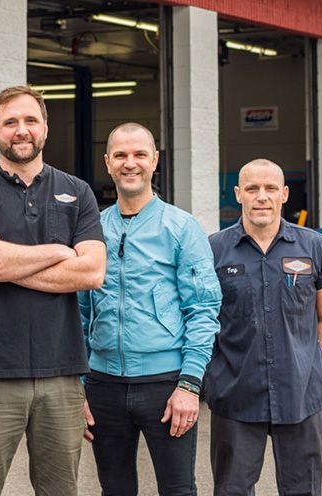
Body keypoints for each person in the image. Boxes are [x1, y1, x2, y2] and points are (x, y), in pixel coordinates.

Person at [0, 85, 107, 496]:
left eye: (30, 120)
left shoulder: (78, 192)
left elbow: (92, 272)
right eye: (10, 122)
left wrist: (3, 257)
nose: (21, 130)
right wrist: (58, 251)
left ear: (46, 128)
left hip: (62, 375)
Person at [80, 123, 221, 496]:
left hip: (166, 385)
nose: (130, 163)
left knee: (178, 490)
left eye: (139, 154)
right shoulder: (92, 229)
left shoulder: (182, 227)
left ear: (155, 160)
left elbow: (203, 310)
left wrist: (189, 384)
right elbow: (77, 314)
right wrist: (78, 386)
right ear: (107, 162)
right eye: (121, 155)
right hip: (103, 385)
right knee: (114, 490)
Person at [205, 158, 322, 496]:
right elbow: (203, 321)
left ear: (284, 194)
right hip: (235, 396)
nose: (261, 196)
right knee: (232, 490)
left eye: (270, 188)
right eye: (252, 188)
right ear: (238, 194)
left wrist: (300, 359)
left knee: (302, 490)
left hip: (301, 395)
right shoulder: (214, 250)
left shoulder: (315, 247)